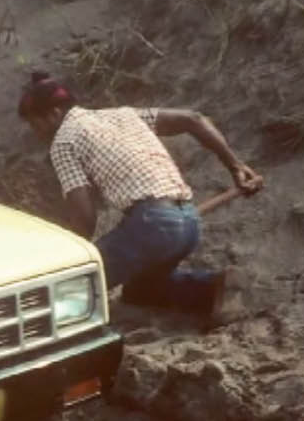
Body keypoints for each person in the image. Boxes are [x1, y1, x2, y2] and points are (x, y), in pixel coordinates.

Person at [17, 71, 263, 318]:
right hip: (189, 222)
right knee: (140, 292)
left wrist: (71, 261)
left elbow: (85, 217)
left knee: (72, 288)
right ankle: (215, 288)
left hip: (153, 227)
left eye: (34, 124)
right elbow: (193, 119)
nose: (36, 133)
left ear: (53, 114)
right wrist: (236, 166)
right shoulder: (123, 115)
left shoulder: (63, 142)